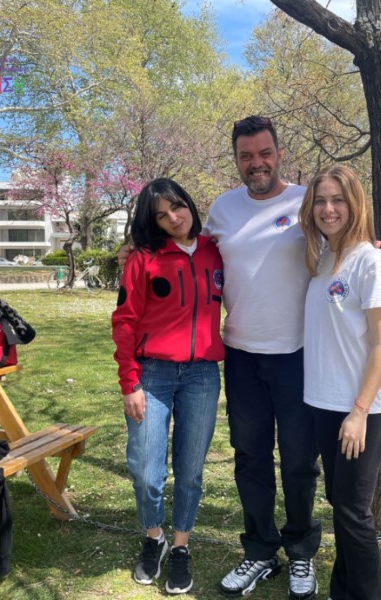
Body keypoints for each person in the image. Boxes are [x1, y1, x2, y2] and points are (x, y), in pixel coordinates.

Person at [206, 116, 381, 600]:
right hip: (242, 356)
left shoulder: (307, 202)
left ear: (279, 154)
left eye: (264, 153)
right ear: (237, 160)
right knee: (250, 457)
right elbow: (189, 249)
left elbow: (352, 244)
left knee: (299, 463)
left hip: (298, 359)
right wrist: (138, 249)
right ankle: (259, 550)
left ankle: (300, 553)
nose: (256, 163)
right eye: (246, 156)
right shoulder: (223, 209)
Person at [111, 178, 225, 595]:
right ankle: (154, 537)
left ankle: (180, 546)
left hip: (202, 375)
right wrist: (129, 382)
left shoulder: (217, 250)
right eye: (162, 215)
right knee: (146, 470)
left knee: (190, 471)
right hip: (151, 375)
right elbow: (124, 321)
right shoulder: (143, 258)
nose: (174, 218)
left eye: (178, 207)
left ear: (189, 204)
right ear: (153, 222)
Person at [299, 164, 381, 600]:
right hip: (325, 402)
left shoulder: (371, 262)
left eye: (337, 200)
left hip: (362, 409)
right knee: (341, 506)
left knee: (354, 512)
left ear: (355, 204)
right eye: (320, 200)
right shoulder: (322, 259)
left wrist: (359, 412)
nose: (328, 209)